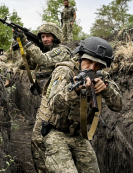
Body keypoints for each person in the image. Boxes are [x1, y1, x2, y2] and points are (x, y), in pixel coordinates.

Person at [36, 37, 122, 173]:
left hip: (78, 134)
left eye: (97, 65)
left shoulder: (101, 76)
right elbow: (54, 105)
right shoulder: (64, 71)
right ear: (80, 58)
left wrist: (106, 89)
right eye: (89, 62)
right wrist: (74, 93)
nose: (92, 68)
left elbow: (118, 106)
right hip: (55, 132)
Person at [12, 22, 72, 173]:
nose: (45, 39)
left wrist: (26, 42)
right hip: (47, 103)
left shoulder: (62, 51)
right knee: (38, 141)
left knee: (52, 142)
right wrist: (22, 45)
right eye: (42, 37)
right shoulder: (42, 52)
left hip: (62, 105)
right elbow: (22, 65)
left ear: (56, 37)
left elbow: (44, 60)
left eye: (48, 36)